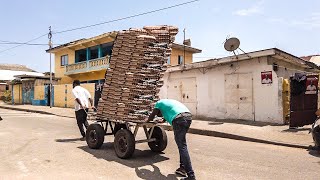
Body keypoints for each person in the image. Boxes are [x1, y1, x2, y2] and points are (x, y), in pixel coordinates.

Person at [146, 99, 196, 180]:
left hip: (179, 119)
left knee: (182, 147)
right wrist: (163, 120)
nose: (160, 115)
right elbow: (171, 112)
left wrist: (147, 120)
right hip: (188, 117)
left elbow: (151, 116)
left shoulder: (158, 103)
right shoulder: (168, 103)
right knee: (182, 145)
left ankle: (191, 176)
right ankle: (182, 168)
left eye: (159, 114)